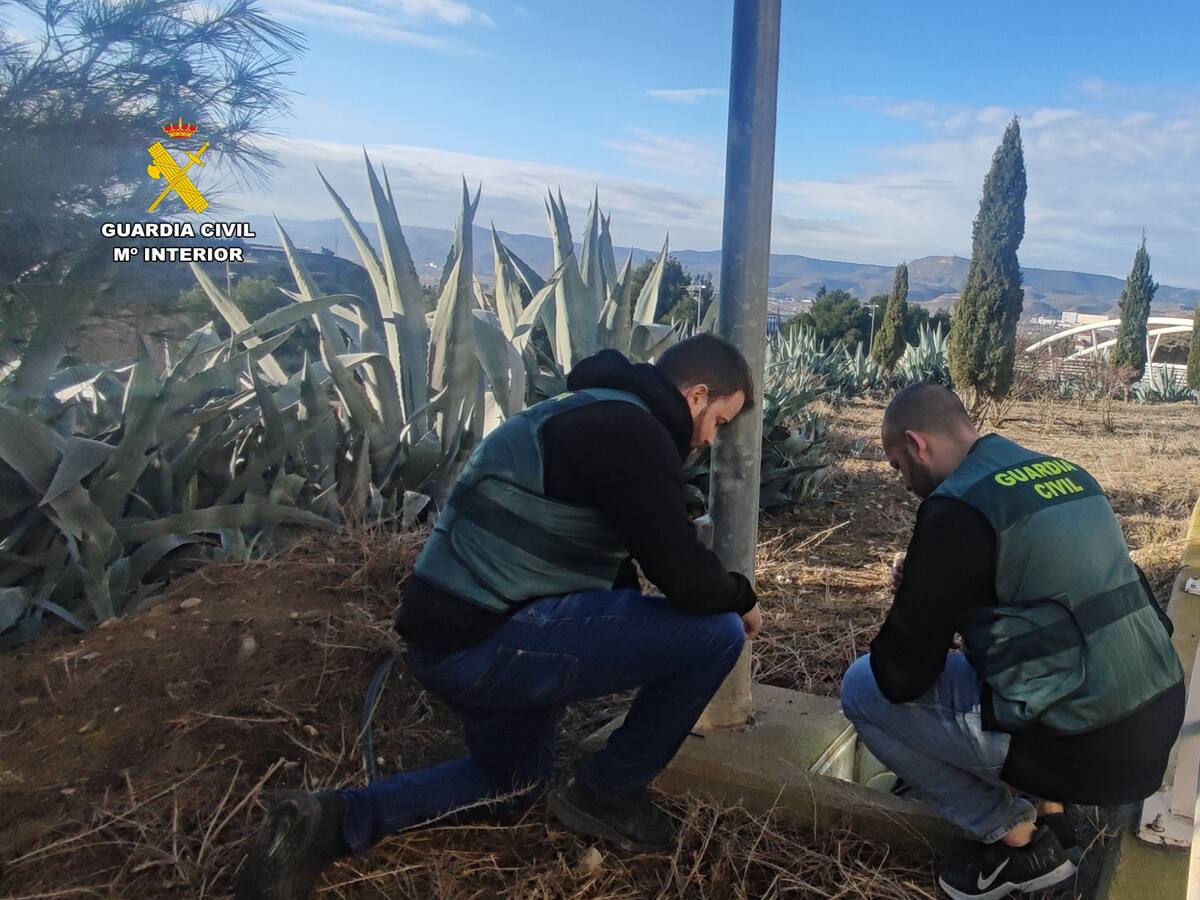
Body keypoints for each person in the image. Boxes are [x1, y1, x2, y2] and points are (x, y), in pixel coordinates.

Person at [238, 335, 763, 899]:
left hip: (453, 640)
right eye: (718, 421)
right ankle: (608, 791)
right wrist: (741, 596)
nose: (709, 440)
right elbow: (682, 574)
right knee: (714, 633)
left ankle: (331, 821)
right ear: (696, 394)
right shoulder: (631, 431)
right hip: (491, 643)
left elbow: (607, 565)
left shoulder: (585, 411)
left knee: (510, 781)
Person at [840, 383, 1184, 900]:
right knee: (1019, 659)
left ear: (917, 444)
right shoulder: (1063, 472)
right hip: (1154, 721)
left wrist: (924, 595)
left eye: (896, 465)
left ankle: (1018, 845)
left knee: (861, 688)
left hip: (1083, 746)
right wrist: (951, 593)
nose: (905, 483)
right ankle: (1056, 815)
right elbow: (1051, 605)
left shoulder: (957, 509)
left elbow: (901, 674)